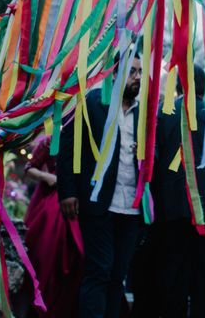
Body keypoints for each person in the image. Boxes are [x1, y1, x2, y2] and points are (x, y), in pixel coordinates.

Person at [139, 65, 205, 318]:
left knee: (172, 280)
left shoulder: (163, 117)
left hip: (171, 213)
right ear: (204, 86)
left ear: (178, 85)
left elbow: (151, 166)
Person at [57, 53, 144, 318]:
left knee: (119, 274)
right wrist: (68, 191)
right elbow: (68, 147)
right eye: (132, 72)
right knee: (99, 270)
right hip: (98, 202)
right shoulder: (92, 102)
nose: (138, 78)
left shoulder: (144, 113)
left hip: (133, 206)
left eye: (140, 72)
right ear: (115, 74)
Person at [24, 136, 83, 317]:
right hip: (52, 200)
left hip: (82, 200)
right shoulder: (51, 140)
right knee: (46, 250)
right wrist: (46, 176)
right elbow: (29, 167)